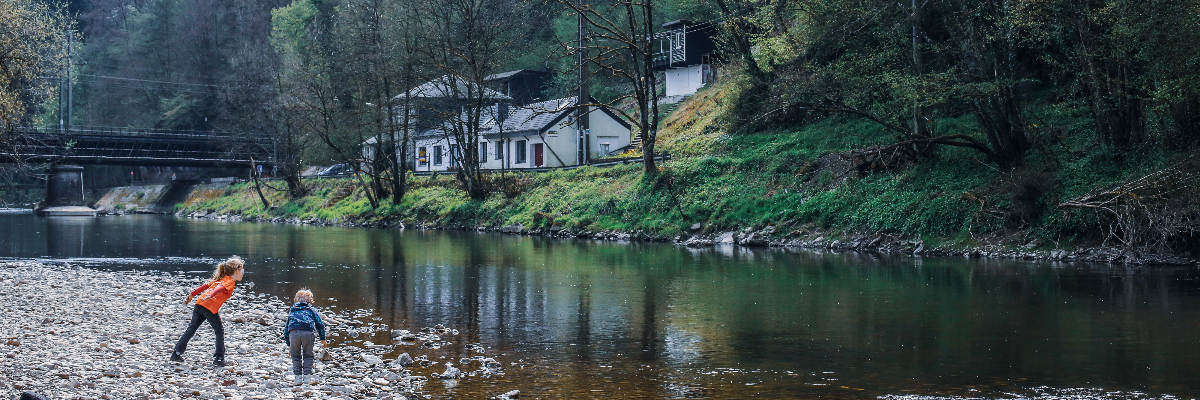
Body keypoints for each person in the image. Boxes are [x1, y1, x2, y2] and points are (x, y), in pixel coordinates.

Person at [169, 256, 245, 367]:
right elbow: (220, 289)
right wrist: (211, 295)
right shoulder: (230, 281)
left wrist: (192, 294)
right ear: (237, 270)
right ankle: (219, 359)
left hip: (199, 304)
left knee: (191, 329)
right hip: (209, 306)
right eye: (242, 269)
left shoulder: (221, 279)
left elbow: (206, 286)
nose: (243, 272)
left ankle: (176, 354)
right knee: (219, 331)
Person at [282, 288, 326, 384]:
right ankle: (307, 378)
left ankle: (297, 378)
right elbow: (319, 324)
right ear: (310, 300)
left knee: (295, 356)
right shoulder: (311, 309)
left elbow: (286, 329)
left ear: (296, 299)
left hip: (293, 333)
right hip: (307, 332)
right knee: (308, 355)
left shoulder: (292, 310)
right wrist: (322, 338)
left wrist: (289, 345)